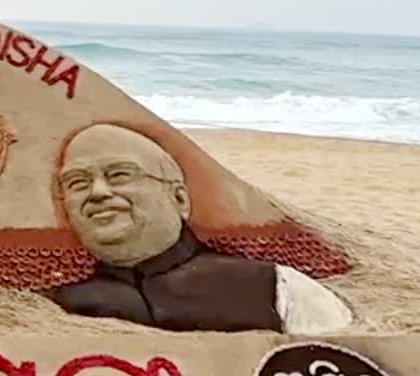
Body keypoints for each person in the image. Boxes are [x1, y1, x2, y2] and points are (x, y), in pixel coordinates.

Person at [47, 124, 352, 334]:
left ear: (179, 198)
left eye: (120, 175)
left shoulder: (277, 289)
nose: (98, 192)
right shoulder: (57, 303)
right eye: (77, 183)